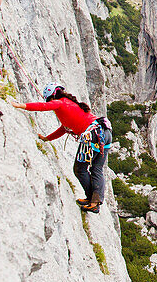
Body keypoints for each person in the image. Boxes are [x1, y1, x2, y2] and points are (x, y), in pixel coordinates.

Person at [11, 83, 113, 212]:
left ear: (52, 96)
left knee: (80, 169)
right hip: (105, 132)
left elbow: (43, 106)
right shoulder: (70, 105)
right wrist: (46, 139)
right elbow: (62, 129)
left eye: (49, 100)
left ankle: (93, 201)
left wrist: (21, 106)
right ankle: (94, 201)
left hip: (92, 134)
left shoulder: (60, 102)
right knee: (96, 169)